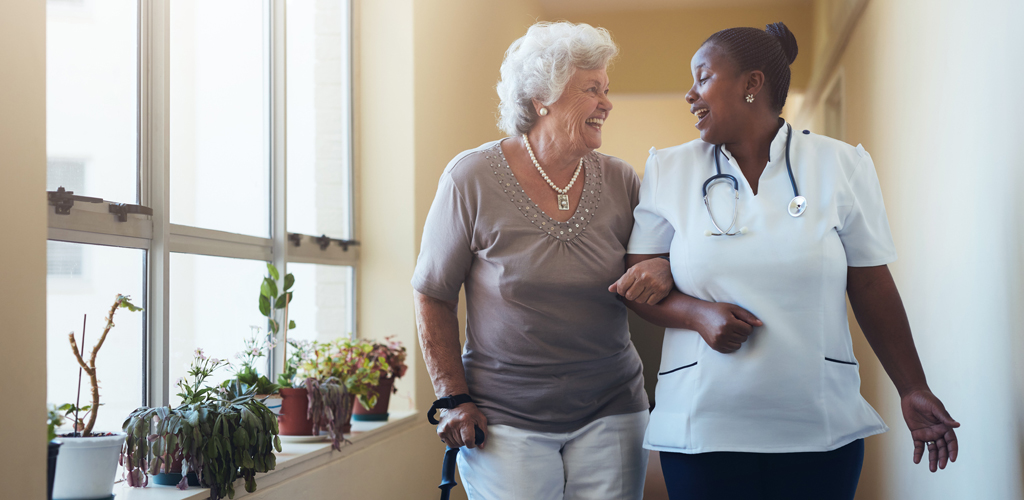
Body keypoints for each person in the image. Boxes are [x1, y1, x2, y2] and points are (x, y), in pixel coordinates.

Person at [611, 22, 960, 500]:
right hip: (703, 423)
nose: (689, 94)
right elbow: (638, 285)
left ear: (752, 84)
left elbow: (872, 285)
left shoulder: (841, 165)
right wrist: (698, 314)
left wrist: (913, 387)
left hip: (817, 423)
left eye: (703, 78)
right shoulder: (668, 169)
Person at [412, 22, 672, 500]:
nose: (607, 103)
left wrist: (665, 266)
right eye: (592, 89)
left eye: (606, 89)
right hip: (505, 417)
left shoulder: (620, 180)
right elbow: (433, 292)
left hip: (614, 406)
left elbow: (654, 262)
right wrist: (452, 397)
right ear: (541, 98)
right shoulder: (470, 178)